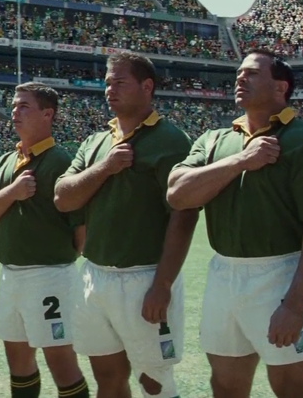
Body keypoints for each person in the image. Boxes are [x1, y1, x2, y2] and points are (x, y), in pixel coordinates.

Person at [167, 48, 303, 398]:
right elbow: (177, 195)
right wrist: (240, 161)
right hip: (223, 272)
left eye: (252, 73)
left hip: (281, 273)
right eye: (239, 73)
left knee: (293, 389)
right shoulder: (215, 140)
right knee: (225, 386)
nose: (240, 78)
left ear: (281, 87)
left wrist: (294, 304)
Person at [53, 52, 196, 398]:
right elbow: (63, 197)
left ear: (147, 86)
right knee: (108, 377)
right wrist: (105, 167)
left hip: (145, 276)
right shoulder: (96, 142)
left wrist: (162, 284)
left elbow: (184, 217)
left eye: (119, 82)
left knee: (155, 382)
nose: (109, 90)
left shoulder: (171, 141)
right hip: (95, 275)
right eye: (107, 83)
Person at [0, 82, 91, 398]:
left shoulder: (61, 162)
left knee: (61, 363)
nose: (15, 112)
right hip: (10, 275)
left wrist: (58, 262)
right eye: (14, 105)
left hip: (50, 277)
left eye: (24, 106)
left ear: (47, 114)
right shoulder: (4, 162)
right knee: (18, 361)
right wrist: (12, 192)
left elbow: (80, 230)